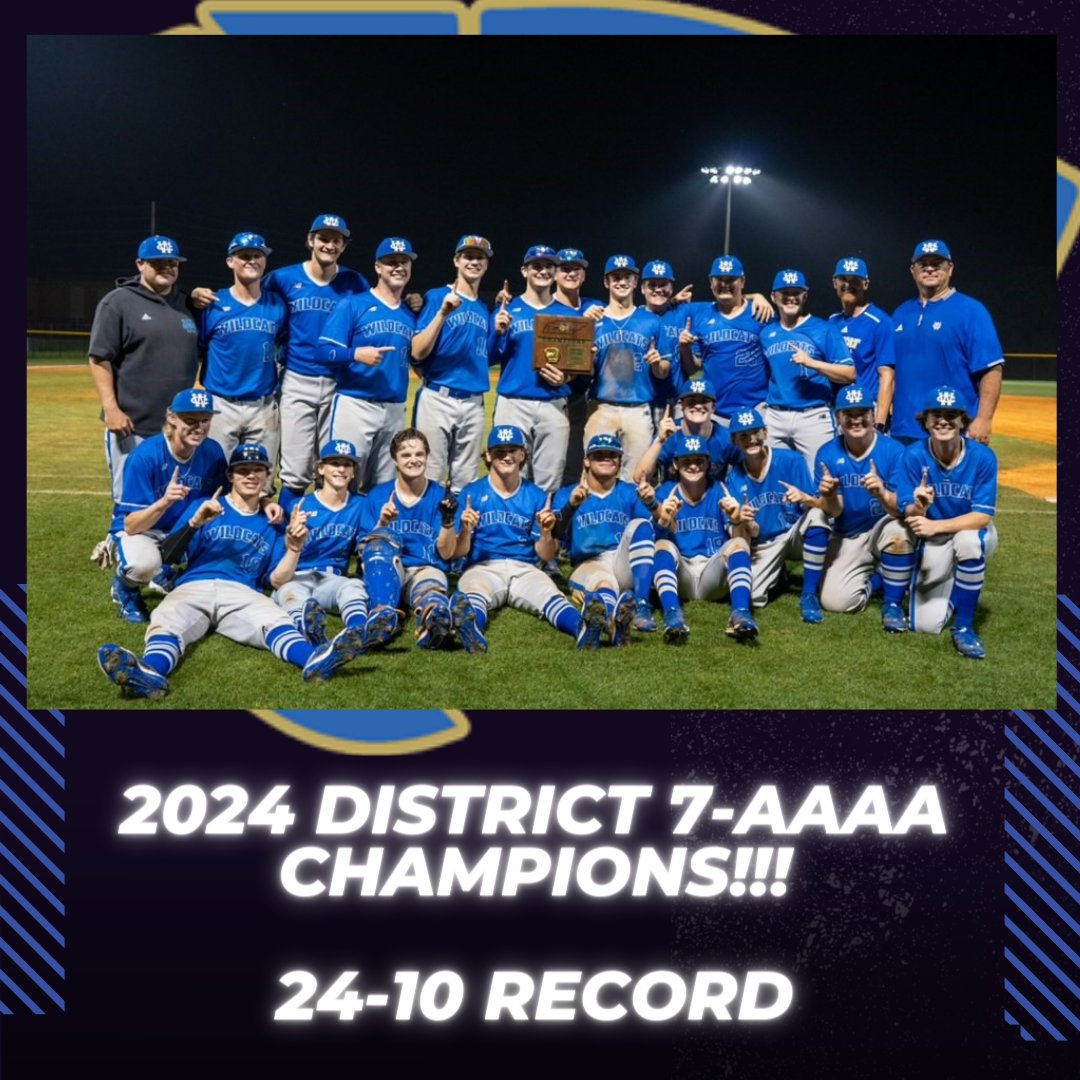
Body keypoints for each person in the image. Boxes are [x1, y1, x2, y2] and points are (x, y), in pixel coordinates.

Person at [96, 443, 368, 700]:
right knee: (168, 621)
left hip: (242, 592)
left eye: (257, 470)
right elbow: (168, 555)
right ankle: (150, 672)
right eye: (243, 470)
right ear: (230, 475)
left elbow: (276, 580)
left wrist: (294, 549)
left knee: (275, 621)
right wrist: (194, 523)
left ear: (266, 476)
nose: (250, 476)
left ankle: (315, 661)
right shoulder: (206, 506)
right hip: (194, 585)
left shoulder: (273, 522)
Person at [88, 234, 201, 566]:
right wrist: (111, 408)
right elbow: (99, 358)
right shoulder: (118, 302)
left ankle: (156, 559)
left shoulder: (184, 304)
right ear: (140, 265)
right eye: (158, 263)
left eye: (173, 263)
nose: (167, 268)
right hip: (132, 423)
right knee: (129, 500)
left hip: (177, 430)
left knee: (169, 499)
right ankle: (125, 566)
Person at [257, 213, 371, 510]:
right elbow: (252, 300)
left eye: (337, 240)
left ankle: (330, 530)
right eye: (323, 238)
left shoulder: (354, 282)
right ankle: (283, 532)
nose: (329, 245)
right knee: (296, 468)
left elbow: (374, 311)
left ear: (344, 246)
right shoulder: (283, 278)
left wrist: (413, 302)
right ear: (310, 240)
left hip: (339, 382)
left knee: (333, 462)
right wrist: (198, 297)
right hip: (297, 377)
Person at [877, 385, 998, 658]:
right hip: (933, 535)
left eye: (951, 414)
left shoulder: (982, 457)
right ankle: (954, 584)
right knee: (927, 626)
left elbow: (982, 516)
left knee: (968, 542)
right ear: (926, 420)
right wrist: (918, 507)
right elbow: (906, 511)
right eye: (936, 415)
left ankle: (965, 627)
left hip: (970, 529)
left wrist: (935, 526)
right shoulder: (914, 455)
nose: (943, 420)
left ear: (963, 421)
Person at [449, 425, 592, 652]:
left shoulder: (536, 495)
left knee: (551, 595)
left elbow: (545, 555)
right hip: (482, 567)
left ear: (522, 455)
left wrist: (546, 532)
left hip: (525, 568)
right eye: (499, 451)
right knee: (474, 595)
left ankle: (582, 629)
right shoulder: (471, 493)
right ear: (488, 455)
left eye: (512, 450)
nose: (506, 456)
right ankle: (472, 629)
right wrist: (466, 529)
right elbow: (458, 552)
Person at [107, 387, 228, 623]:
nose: (199, 428)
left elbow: (223, 499)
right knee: (142, 567)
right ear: (172, 418)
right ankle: (125, 587)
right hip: (145, 530)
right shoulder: (146, 455)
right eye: (190, 420)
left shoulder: (212, 451)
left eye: (205, 420)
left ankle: (167, 571)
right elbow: (131, 525)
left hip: (185, 528)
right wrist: (163, 503)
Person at [270, 439, 396, 651]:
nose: (340, 469)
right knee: (292, 595)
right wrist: (292, 540)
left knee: (353, 587)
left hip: (333, 580)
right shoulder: (300, 506)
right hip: (297, 578)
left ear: (354, 472)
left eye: (347, 465)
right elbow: (277, 577)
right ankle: (308, 632)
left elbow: (366, 546)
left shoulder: (360, 504)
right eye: (334, 463)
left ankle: (358, 633)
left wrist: (382, 523)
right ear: (321, 468)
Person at [796, 383, 905, 623]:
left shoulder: (895, 451)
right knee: (837, 602)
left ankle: (893, 604)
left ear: (873, 414)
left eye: (862, 413)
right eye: (849, 414)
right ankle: (882, 577)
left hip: (882, 530)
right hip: (848, 535)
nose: (856, 420)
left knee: (900, 529)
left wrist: (882, 493)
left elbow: (900, 510)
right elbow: (835, 511)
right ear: (838, 418)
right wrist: (830, 495)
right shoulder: (827, 453)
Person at [319, 237, 419, 491]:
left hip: (394, 409)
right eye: (391, 262)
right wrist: (355, 354)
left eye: (404, 262)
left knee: (384, 485)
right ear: (378, 267)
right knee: (342, 479)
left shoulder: (410, 314)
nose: (398, 267)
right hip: (355, 404)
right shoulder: (353, 304)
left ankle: (374, 532)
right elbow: (322, 351)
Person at [357, 428, 465, 649]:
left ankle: (434, 624)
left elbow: (446, 553)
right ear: (395, 460)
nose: (414, 460)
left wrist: (447, 521)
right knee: (379, 546)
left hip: (426, 568)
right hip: (387, 569)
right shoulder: (378, 495)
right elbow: (364, 551)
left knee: (432, 596)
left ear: (427, 456)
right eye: (406, 455)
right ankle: (382, 618)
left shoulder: (442, 497)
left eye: (419, 454)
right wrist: (382, 525)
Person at [890, 240, 1005, 445]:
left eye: (937, 263)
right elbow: (889, 373)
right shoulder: (900, 313)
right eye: (923, 263)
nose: (930, 268)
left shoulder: (971, 310)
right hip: (903, 429)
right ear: (913, 270)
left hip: (952, 429)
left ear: (950, 268)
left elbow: (991, 368)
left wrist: (984, 419)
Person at [717, 407, 816, 639]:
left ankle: (809, 594)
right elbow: (748, 532)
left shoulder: (791, 461)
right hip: (765, 544)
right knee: (753, 597)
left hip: (793, 534)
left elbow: (820, 507)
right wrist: (742, 520)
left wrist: (807, 498)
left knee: (817, 516)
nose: (751, 439)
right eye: (743, 435)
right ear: (734, 440)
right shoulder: (734, 478)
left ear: (766, 432)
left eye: (755, 432)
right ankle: (779, 575)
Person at [198, 232, 287, 489]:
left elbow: (283, 341)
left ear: (265, 261)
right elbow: (198, 348)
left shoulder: (276, 305)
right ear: (230, 261)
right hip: (221, 405)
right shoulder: (213, 304)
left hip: (263, 406)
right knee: (214, 479)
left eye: (257, 255)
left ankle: (259, 529)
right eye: (244, 256)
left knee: (262, 483)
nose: (251, 260)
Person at [552, 433, 656, 643]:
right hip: (588, 563)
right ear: (587, 460)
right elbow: (555, 533)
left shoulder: (629, 492)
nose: (606, 458)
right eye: (599, 454)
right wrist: (571, 506)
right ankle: (610, 623)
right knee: (603, 583)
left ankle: (642, 604)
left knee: (642, 524)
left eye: (612, 455)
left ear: (619, 462)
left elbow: (652, 533)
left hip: (621, 561)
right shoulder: (567, 494)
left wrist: (653, 504)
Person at [411, 235, 495, 493]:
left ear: (487, 264)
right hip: (439, 396)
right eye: (468, 256)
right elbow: (417, 351)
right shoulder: (437, 297)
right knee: (430, 473)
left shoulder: (483, 308)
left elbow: (487, 357)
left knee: (466, 480)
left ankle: (458, 532)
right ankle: (426, 531)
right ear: (456, 260)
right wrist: (443, 312)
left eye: (480, 257)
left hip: (473, 402)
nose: (474, 261)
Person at [490, 245, 570, 493]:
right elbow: (489, 358)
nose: (543, 271)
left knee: (550, 478)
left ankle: (544, 531)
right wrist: (498, 332)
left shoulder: (568, 314)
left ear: (556, 273)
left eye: (549, 266)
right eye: (536, 266)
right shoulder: (507, 311)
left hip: (553, 402)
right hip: (513, 402)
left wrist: (566, 376)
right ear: (524, 271)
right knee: (510, 475)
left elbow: (576, 367)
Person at [585, 255, 672, 480]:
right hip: (601, 407)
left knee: (636, 478)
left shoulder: (651, 321)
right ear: (606, 282)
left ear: (636, 282)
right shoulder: (594, 320)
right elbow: (587, 373)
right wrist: (587, 360)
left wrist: (657, 363)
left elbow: (663, 372)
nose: (622, 282)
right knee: (595, 476)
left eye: (627, 277)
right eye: (616, 277)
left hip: (638, 409)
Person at [759, 268, 855, 471]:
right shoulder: (767, 332)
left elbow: (849, 374)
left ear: (805, 295)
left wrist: (813, 363)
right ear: (773, 296)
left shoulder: (824, 328)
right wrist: (754, 296)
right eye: (785, 293)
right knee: (776, 479)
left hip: (813, 416)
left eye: (796, 293)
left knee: (821, 479)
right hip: (775, 417)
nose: (791, 298)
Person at [643, 432, 735, 643]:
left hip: (712, 574)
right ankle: (672, 613)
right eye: (686, 461)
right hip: (681, 575)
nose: (693, 466)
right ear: (675, 464)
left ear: (708, 464)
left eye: (698, 460)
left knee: (737, 544)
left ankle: (740, 613)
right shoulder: (666, 491)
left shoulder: (721, 490)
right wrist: (664, 521)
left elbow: (739, 540)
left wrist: (737, 520)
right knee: (663, 544)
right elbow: (655, 541)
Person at [678, 254, 773, 429]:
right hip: (715, 411)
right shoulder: (699, 313)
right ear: (710, 281)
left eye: (731, 279)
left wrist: (757, 296)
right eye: (719, 279)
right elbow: (693, 368)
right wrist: (684, 348)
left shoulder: (761, 312)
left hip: (757, 408)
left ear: (742, 281)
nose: (724, 284)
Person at [551, 247, 605, 486]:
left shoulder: (596, 306)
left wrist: (672, 303)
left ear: (584, 276)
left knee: (574, 463)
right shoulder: (544, 307)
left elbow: (630, 314)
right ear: (554, 274)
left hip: (583, 398)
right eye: (565, 269)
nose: (571, 273)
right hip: (549, 396)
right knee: (545, 465)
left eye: (577, 269)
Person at [632, 378, 739, 486]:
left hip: (712, 499)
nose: (697, 406)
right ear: (681, 405)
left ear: (713, 407)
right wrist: (660, 441)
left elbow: (749, 471)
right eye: (691, 401)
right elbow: (639, 477)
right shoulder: (669, 433)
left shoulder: (725, 437)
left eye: (704, 401)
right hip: (674, 499)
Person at [828, 257, 895, 428]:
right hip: (838, 409)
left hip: (865, 409)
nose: (848, 284)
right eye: (843, 279)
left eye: (855, 280)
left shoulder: (880, 322)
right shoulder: (832, 321)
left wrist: (879, 422)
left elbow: (887, 377)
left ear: (865, 284)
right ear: (834, 283)